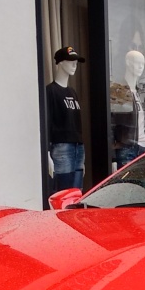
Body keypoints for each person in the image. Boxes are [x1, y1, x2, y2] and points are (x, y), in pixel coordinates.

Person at [46, 46, 85, 190]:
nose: (75, 65)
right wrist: (47, 152)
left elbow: (77, 123)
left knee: (76, 193)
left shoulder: (72, 92)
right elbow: (47, 122)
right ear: (61, 62)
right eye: (71, 61)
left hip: (77, 147)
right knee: (63, 191)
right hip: (61, 146)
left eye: (76, 61)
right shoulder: (50, 91)